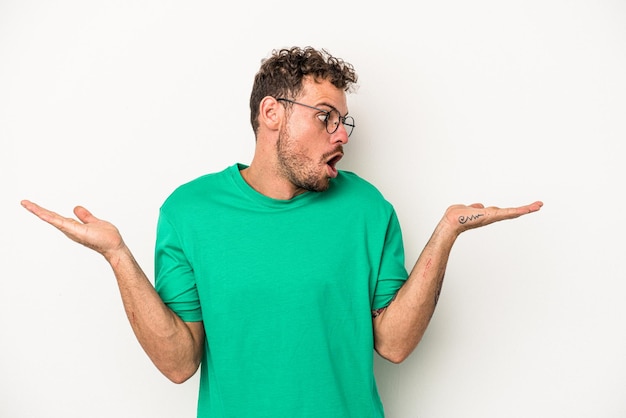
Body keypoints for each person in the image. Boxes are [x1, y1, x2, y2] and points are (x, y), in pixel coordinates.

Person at [21, 46, 543, 417]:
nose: (341, 135)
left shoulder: (366, 207)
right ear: (272, 113)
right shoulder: (189, 211)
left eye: (345, 122)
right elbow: (179, 363)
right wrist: (117, 255)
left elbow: (395, 344)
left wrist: (446, 233)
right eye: (325, 117)